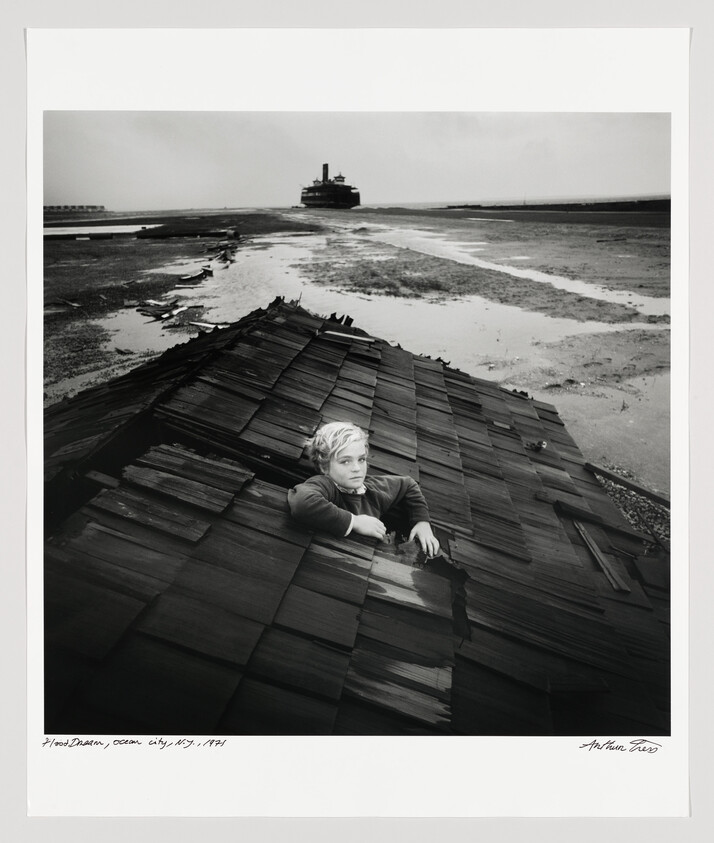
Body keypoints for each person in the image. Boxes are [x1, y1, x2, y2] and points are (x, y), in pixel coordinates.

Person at [287, 421, 440, 558]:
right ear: (324, 466)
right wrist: (355, 522)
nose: (356, 469)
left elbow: (408, 484)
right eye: (345, 461)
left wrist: (422, 522)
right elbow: (302, 502)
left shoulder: (373, 491)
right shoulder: (326, 485)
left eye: (361, 459)